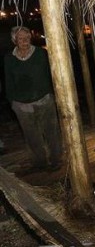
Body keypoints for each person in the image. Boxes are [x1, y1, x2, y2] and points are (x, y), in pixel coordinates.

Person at [4, 26, 62, 171]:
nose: (25, 40)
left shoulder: (41, 54)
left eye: (27, 37)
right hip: (22, 105)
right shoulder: (9, 59)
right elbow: (8, 81)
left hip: (44, 99)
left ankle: (56, 160)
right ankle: (40, 162)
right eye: (21, 38)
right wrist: (12, 101)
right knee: (32, 136)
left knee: (51, 132)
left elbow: (52, 73)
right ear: (14, 41)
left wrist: (51, 93)